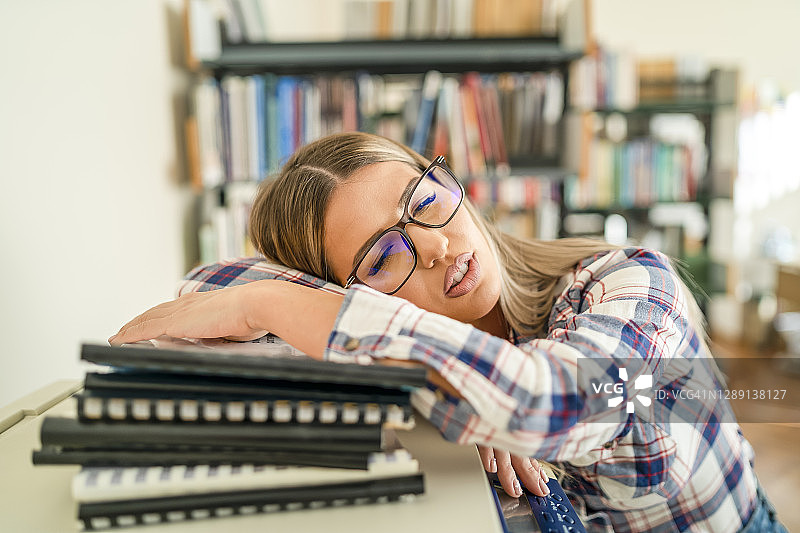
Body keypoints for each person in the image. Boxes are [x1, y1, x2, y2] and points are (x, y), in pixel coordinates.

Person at [111, 132, 786, 532]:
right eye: (383, 257)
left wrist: (279, 306)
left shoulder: (633, 283)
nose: (433, 247)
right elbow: (209, 282)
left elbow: (543, 401)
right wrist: (276, 299)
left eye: (426, 201)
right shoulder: (419, 352)